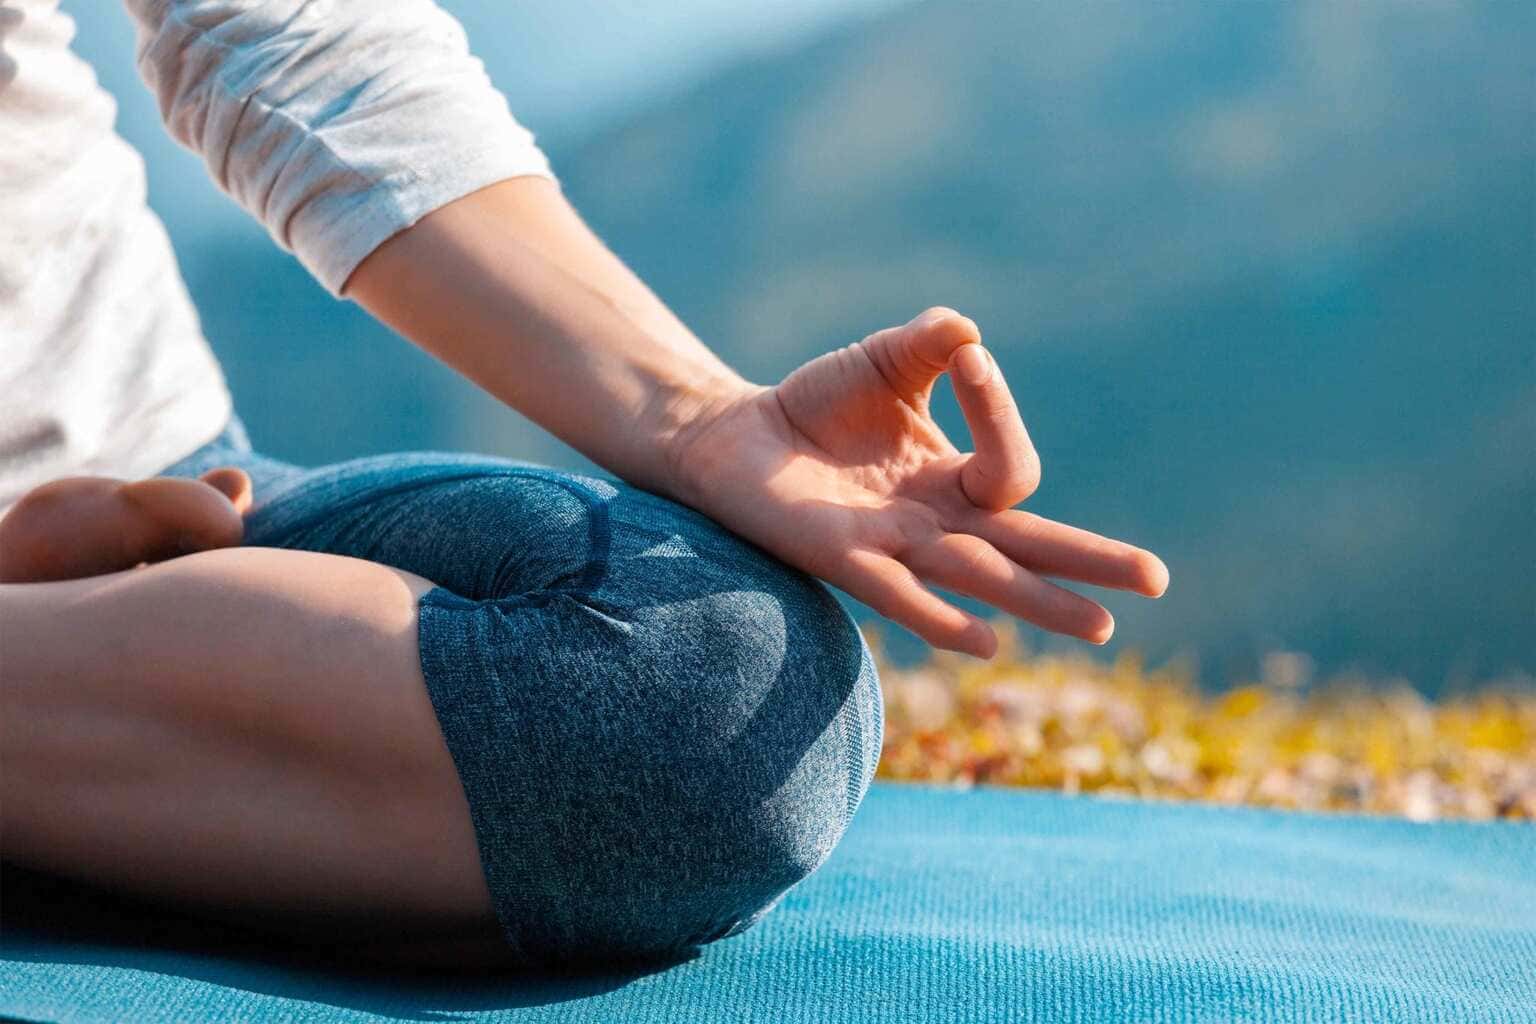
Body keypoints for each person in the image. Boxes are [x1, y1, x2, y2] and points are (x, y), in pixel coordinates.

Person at [0, 0, 1168, 969]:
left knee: (708, 675)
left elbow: (294, 33)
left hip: (173, 465)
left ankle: (70, 647)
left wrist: (698, 415)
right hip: (112, 536)